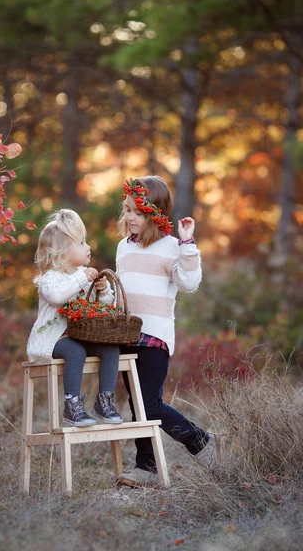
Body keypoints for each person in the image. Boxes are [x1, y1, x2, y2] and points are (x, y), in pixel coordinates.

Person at [116, 176, 218, 487]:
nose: (130, 217)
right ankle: (146, 467)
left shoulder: (173, 247)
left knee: (150, 404)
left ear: (155, 213)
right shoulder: (123, 247)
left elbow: (189, 283)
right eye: (127, 210)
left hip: (154, 337)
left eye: (138, 212)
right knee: (138, 406)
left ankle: (200, 441)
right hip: (124, 336)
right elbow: (122, 290)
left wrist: (187, 244)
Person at [27, 209, 123, 427]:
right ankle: (71, 406)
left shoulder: (83, 276)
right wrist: (82, 277)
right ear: (62, 253)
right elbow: (58, 297)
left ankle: (104, 402)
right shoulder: (50, 278)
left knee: (110, 348)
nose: (88, 247)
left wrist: (103, 290)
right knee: (74, 350)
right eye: (81, 243)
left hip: (81, 337)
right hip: (52, 342)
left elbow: (103, 308)